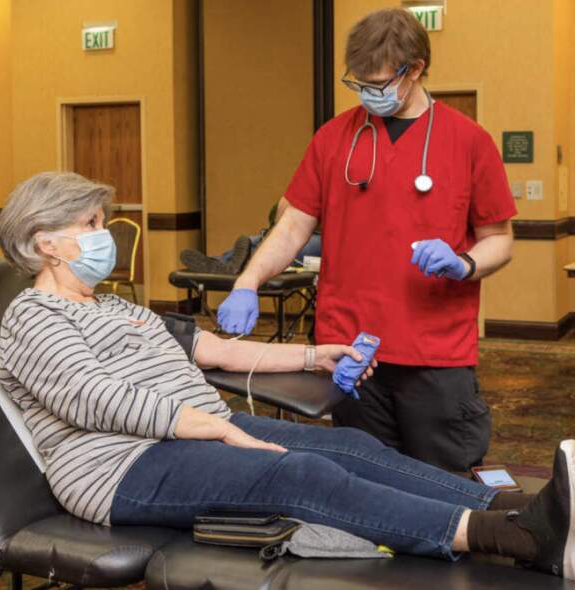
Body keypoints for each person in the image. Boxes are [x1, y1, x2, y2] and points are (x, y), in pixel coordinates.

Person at [0, 172, 575, 581]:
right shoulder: (32, 316)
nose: (105, 235)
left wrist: (313, 355)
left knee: (349, 445)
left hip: (190, 434)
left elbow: (211, 350)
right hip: (118, 468)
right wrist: (216, 432)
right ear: (46, 243)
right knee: (300, 475)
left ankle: (526, 506)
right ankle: (519, 539)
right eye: (91, 225)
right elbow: (94, 398)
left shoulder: (112, 306)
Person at [217, 8, 517, 472]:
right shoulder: (334, 138)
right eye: (359, 83)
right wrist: (248, 280)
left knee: (445, 478)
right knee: (365, 479)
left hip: (434, 352)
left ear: (414, 70)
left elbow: (499, 237)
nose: (368, 95)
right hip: (351, 351)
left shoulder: (469, 141)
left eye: (377, 84)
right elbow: (293, 224)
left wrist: (465, 264)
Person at [179, 197, 322, 275]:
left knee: (286, 245)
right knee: (259, 240)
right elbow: (275, 215)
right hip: (304, 232)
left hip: (328, 245)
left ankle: (226, 264)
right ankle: (225, 264)